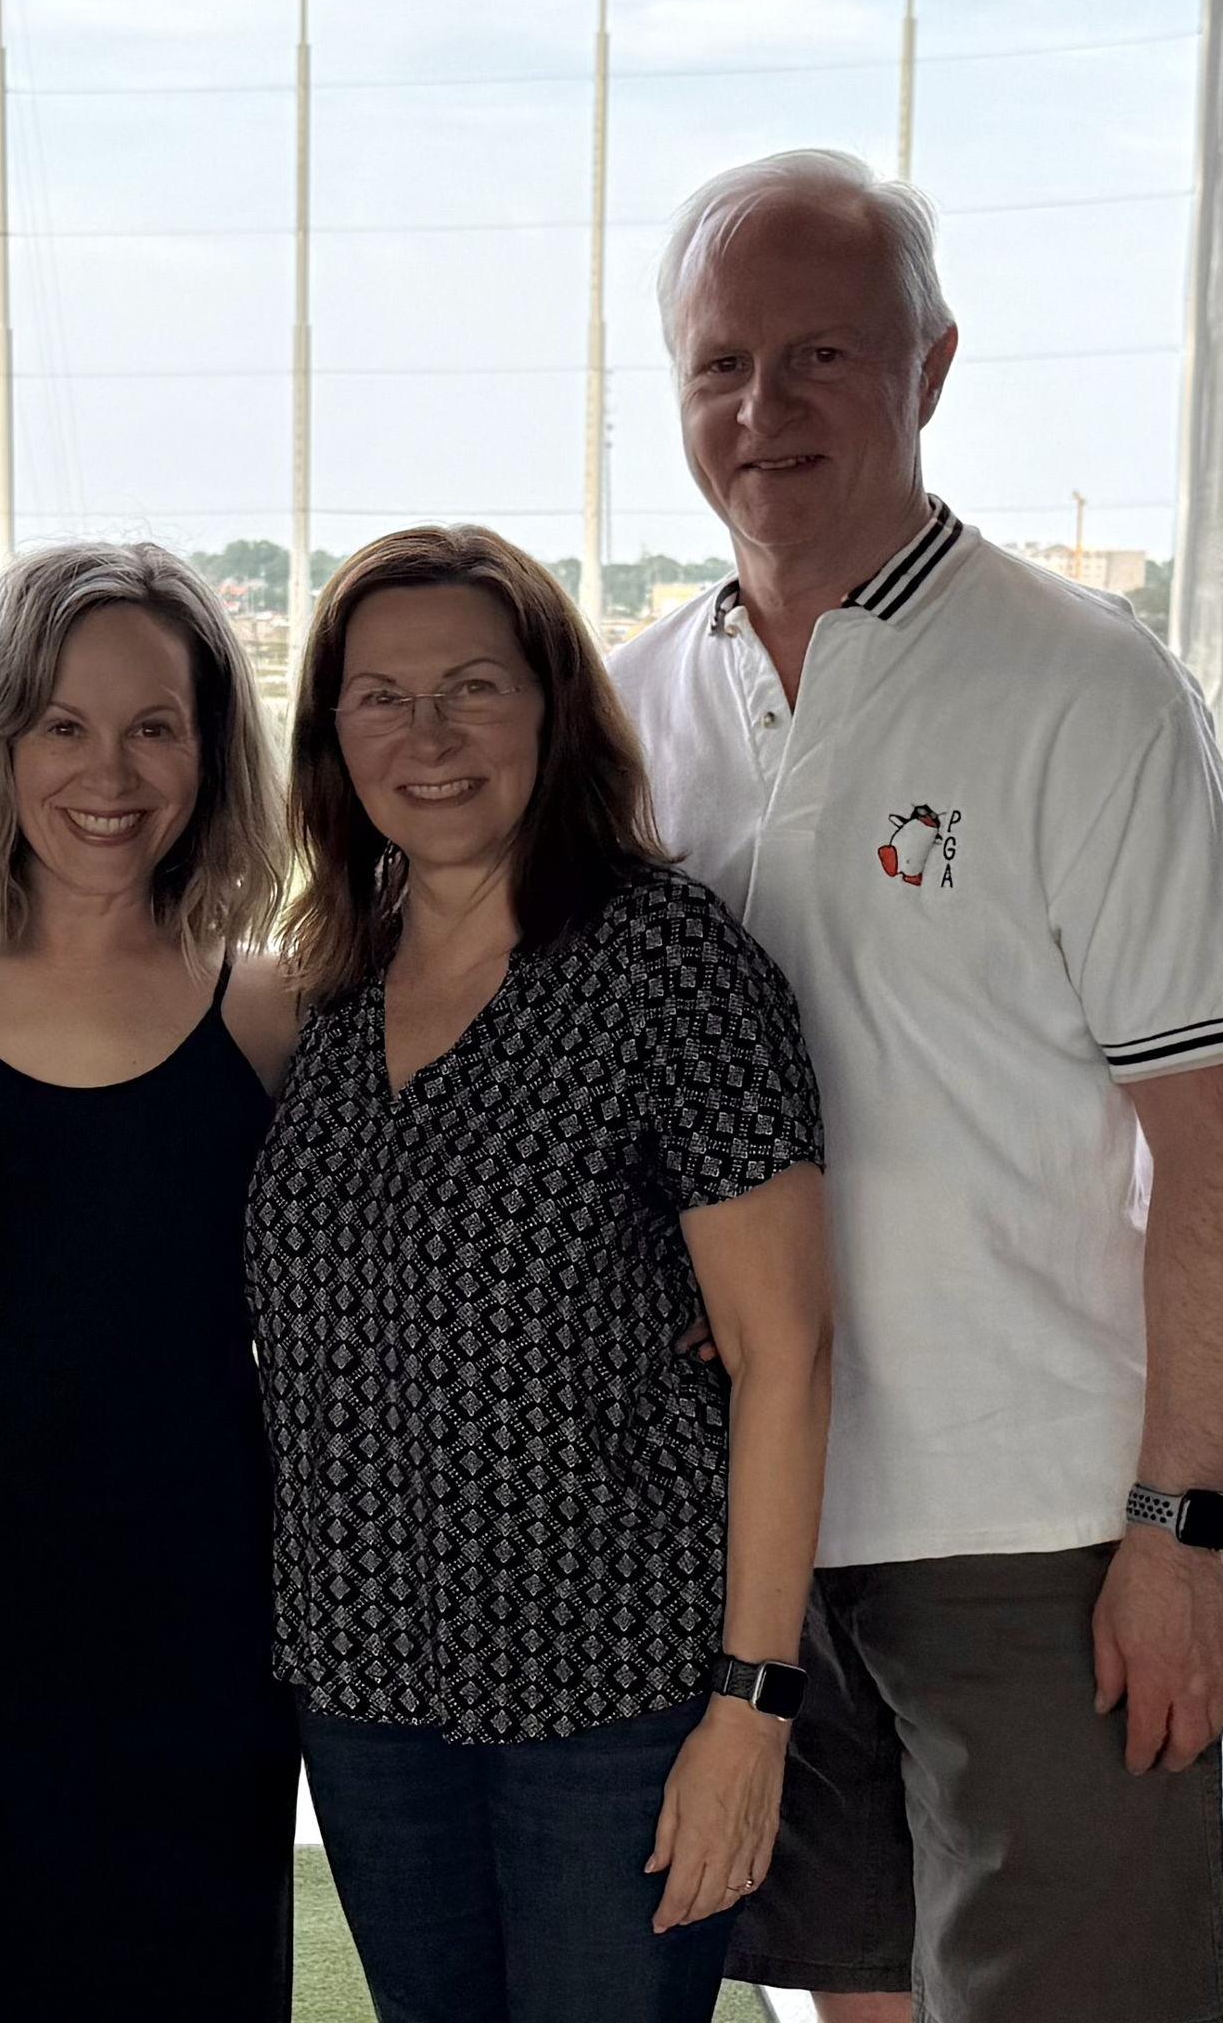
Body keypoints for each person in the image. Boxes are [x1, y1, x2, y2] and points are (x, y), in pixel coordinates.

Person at [609, 147, 1223, 2023]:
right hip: (751, 1520)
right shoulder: (633, 704)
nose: (764, 410)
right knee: (854, 1996)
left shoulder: (1088, 689)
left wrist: (1184, 1527)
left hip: (1036, 1531)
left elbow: (1217, 1151)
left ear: (935, 365)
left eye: (822, 355)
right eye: (720, 365)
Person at [244, 524, 835, 2023]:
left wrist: (749, 1712)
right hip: (367, 1687)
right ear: (328, 735)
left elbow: (786, 1352)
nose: (425, 739)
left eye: (472, 691)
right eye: (377, 697)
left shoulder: (665, 965)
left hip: (614, 1695)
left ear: (554, 708)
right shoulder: (326, 983)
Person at [0, 541, 301, 2021]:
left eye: (156, 724)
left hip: (201, 1622)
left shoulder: (278, 1005)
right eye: (65, 724)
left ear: (212, 748)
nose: (112, 770)